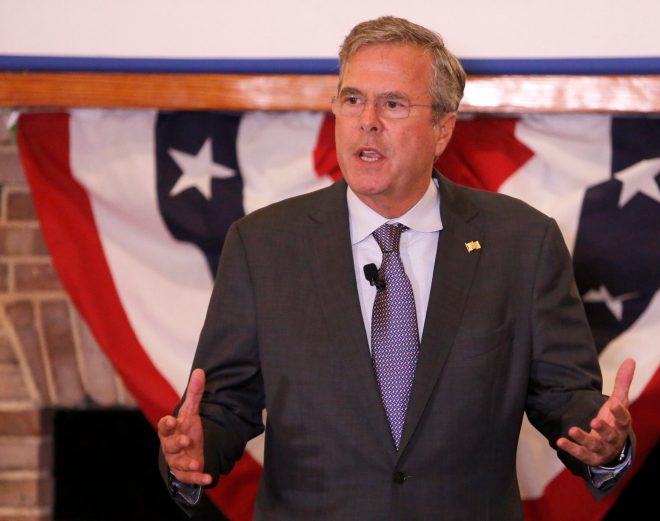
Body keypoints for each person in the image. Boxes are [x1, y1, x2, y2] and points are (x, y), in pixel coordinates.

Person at [158, 16, 635, 521]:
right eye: (352, 99)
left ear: (443, 129)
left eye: (392, 104)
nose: (367, 121)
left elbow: (564, 396)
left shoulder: (521, 243)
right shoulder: (264, 245)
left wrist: (602, 440)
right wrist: (196, 448)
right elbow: (225, 405)